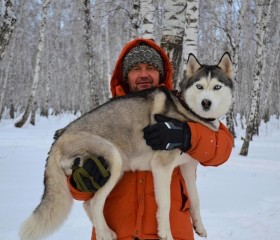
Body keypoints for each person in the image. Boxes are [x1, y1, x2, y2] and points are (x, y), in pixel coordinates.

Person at [67, 38, 234, 240]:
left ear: (161, 74)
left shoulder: (187, 109)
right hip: (116, 234)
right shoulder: (106, 117)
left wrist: (187, 135)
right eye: (136, 68)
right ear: (126, 75)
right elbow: (77, 192)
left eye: (151, 68)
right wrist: (80, 181)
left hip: (172, 233)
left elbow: (221, 149)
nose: (144, 74)